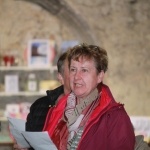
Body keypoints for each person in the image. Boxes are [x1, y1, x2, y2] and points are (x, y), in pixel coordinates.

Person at [43, 43, 135, 150]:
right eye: (73, 69)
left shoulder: (115, 117)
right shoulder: (58, 109)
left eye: (84, 70)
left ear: (100, 76)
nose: (76, 76)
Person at [13, 51, 71, 150]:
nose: (78, 76)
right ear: (61, 77)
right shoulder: (39, 105)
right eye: (73, 70)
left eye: (84, 70)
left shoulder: (93, 106)